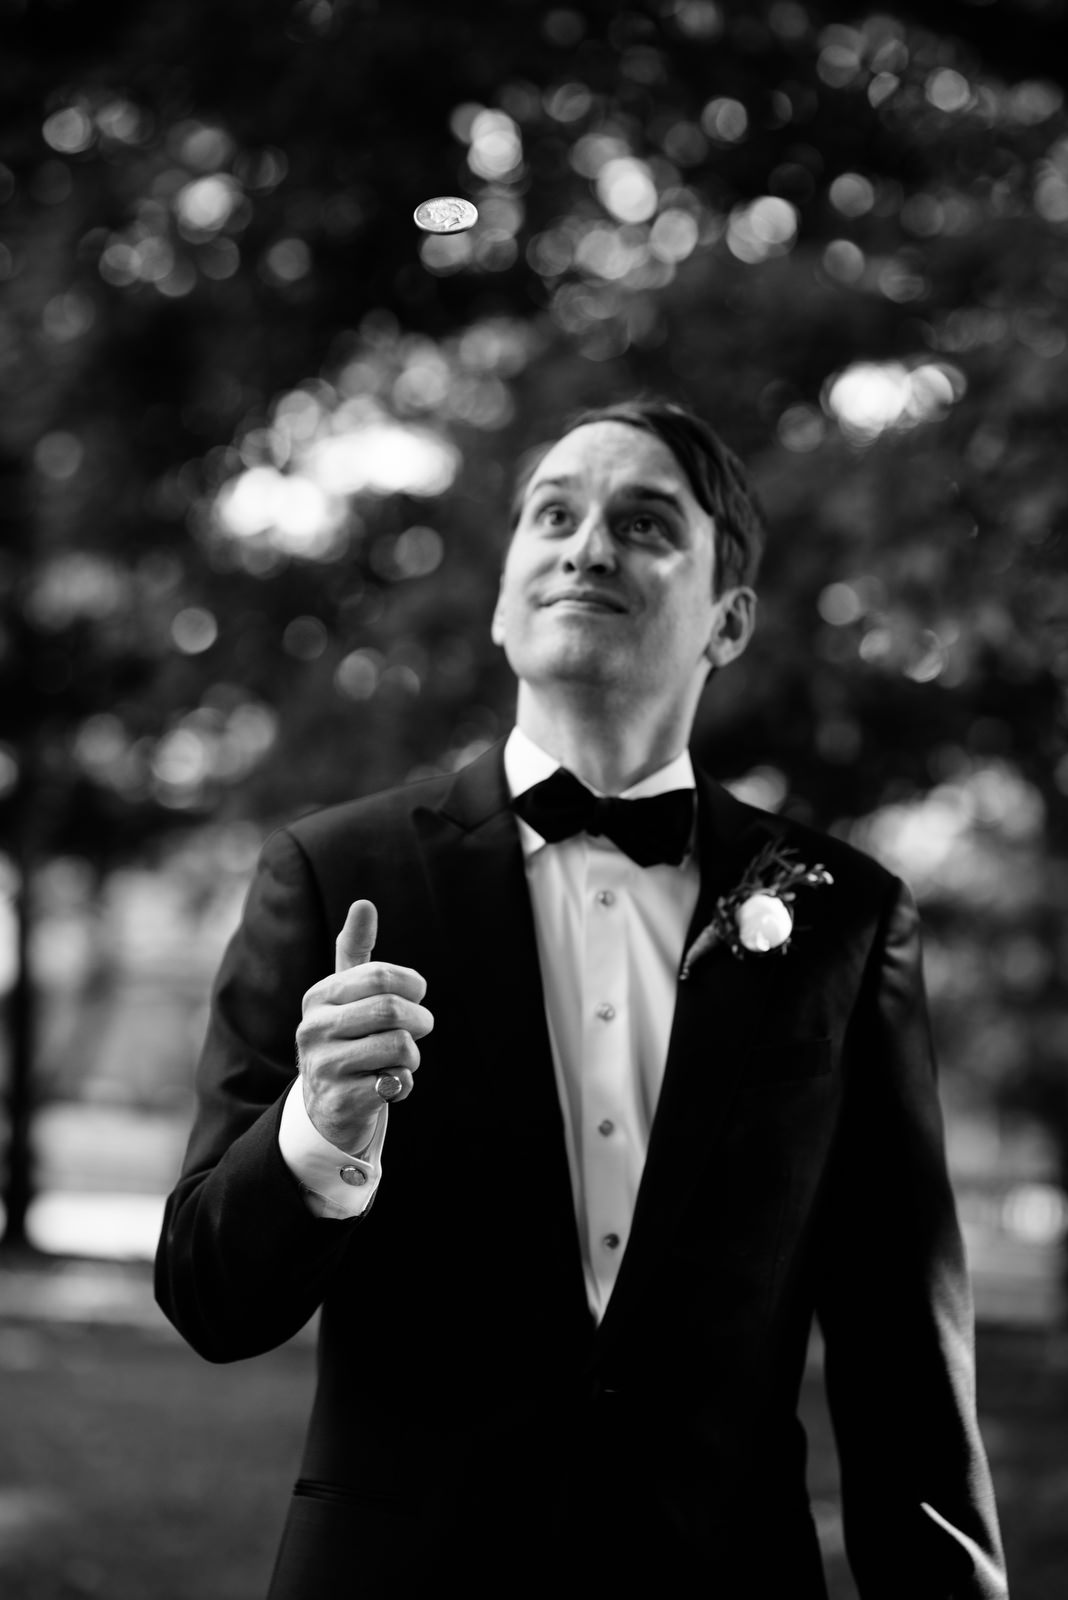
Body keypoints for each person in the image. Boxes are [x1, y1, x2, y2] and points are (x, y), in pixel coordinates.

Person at [155, 399, 1007, 1598]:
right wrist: (318, 1136)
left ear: (729, 618)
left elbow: (904, 1363)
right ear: (507, 600)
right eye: (555, 514)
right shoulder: (335, 874)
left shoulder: (843, 917)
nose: (589, 544)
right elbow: (209, 1297)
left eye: (646, 522)